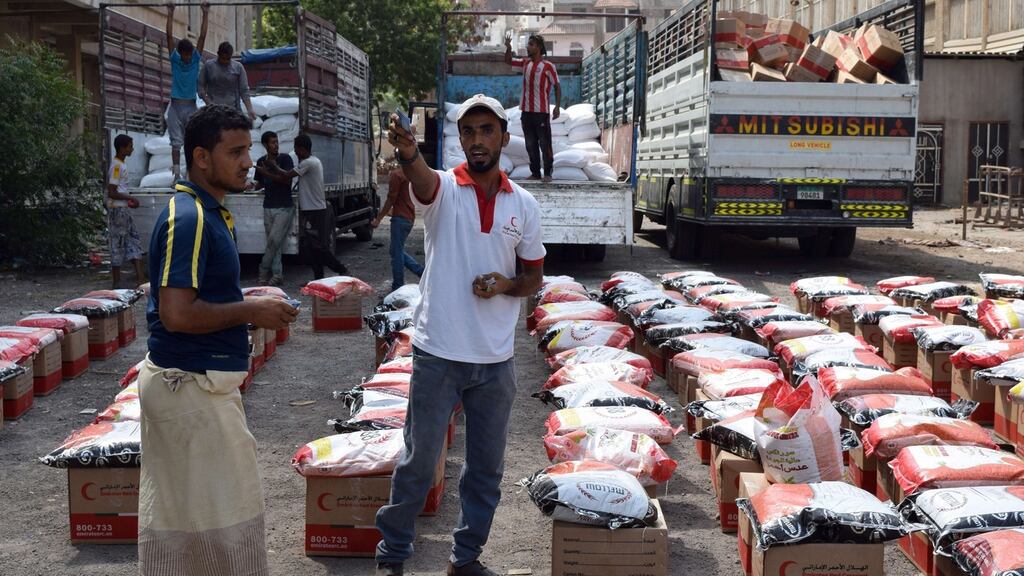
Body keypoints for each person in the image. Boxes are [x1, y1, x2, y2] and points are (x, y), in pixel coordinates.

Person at [375, 94, 546, 576]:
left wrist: (507, 285)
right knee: (418, 460)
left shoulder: (524, 205)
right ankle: (392, 554)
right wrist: (409, 152)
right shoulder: (445, 189)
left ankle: (465, 558)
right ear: (460, 140)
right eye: (468, 132)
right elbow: (422, 181)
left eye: (486, 130)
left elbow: (534, 276)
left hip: (495, 361)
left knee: (486, 472)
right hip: (439, 353)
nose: (476, 140)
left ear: (503, 138)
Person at [137, 104, 298, 576]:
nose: (248, 161)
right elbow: (176, 313)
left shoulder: (211, 213)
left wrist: (248, 301)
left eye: (248, 149)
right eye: (236, 152)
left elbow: (199, 297)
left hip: (197, 387)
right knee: (225, 524)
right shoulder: (189, 219)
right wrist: (251, 311)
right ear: (202, 158)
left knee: (190, 520)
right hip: (188, 389)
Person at [279, 133, 348, 279]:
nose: (295, 152)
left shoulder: (308, 163)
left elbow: (285, 176)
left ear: (303, 149)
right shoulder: (313, 161)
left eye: (296, 149)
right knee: (311, 247)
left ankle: (340, 269)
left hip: (314, 211)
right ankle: (319, 278)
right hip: (313, 210)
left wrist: (270, 167)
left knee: (318, 246)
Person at [504, 33, 561, 182]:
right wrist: (508, 47)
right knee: (530, 145)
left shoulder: (548, 66)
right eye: (528, 44)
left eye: (531, 44)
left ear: (539, 47)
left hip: (541, 112)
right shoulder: (525, 63)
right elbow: (508, 61)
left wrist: (557, 107)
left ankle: (548, 173)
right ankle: (535, 173)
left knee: (545, 143)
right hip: (526, 112)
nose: (528, 47)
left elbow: (557, 86)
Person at [165, 1, 209, 180]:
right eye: (185, 54)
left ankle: (192, 173)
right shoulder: (175, 59)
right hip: (175, 106)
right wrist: (170, 12)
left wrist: (205, 13)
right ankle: (176, 175)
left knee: (193, 141)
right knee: (176, 143)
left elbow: (202, 38)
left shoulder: (194, 60)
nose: (187, 57)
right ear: (179, 53)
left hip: (191, 106)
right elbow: (168, 36)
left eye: (189, 55)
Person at [252, 130, 295, 286]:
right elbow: (260, 183)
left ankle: (262, 271)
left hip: (284, 207)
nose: (276, 145)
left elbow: (286, 181)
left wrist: (268, 171)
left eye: (277, 142)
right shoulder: (261, 160)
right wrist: (249, 186)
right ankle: (277, 275)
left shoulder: (285, 159)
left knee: (273, 241)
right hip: (268, 206)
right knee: (274, 244)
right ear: (265, 145)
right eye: (272, 142)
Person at [372, 166, 424, 291]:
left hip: (400, 219)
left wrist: (379, 218)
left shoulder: (397, 175)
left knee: (396, 253)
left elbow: (391, 198)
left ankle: (398, 285)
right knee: (395, 250)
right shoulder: (412, 173)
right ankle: (420, 272)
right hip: (409, 218)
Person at [107, 134, 146, 289]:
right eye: (130, 146)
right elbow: (112, 191)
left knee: (132, 240)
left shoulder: (120, 164)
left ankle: (139, 277)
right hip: (118, 210)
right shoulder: (117, 166)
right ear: (122, 148)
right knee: (119, 242)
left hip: (121, 209)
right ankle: (117, 281)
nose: (132, 149)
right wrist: (130, 198)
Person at [198, 41, 257, 121]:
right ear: (218, 54)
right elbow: (201, 85)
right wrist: (207, 101)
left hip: (233, 110)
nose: (225, 61)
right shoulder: (208, 66)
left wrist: (249, 109)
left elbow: (244, 90)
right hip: (213, 110)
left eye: (228, 59)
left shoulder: (238, 67)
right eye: (223, 58)